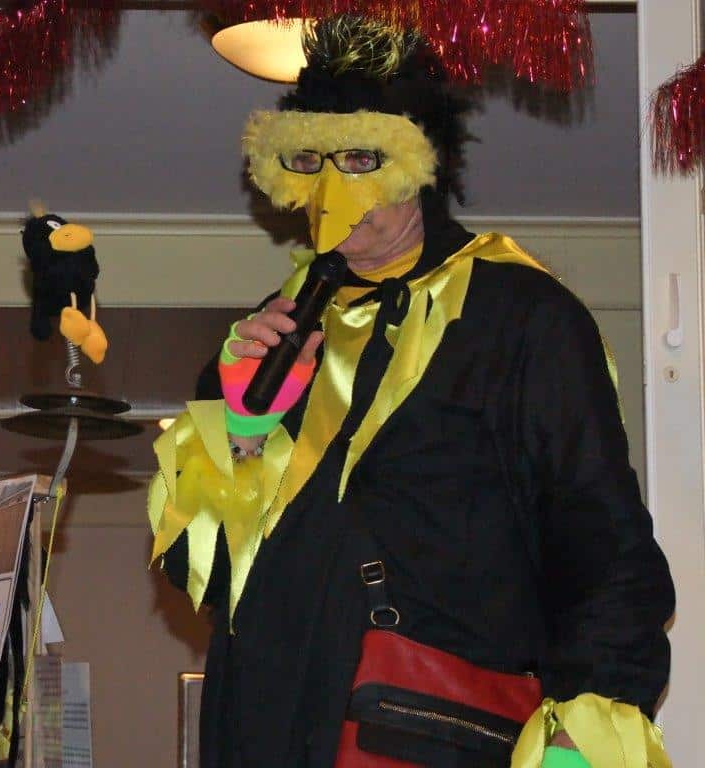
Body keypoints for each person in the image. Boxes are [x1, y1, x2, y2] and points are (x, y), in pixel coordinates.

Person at [148, 15, 674, 768]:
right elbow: (197, 572)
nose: (334, 186)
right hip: (265, 728)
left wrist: (580, 741)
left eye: (363, 158)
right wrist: (240, 431)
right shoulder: (267, 335)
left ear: (420, 164)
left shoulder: (519, 315)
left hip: (432, 729)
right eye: (309, 159)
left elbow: (606, 546)